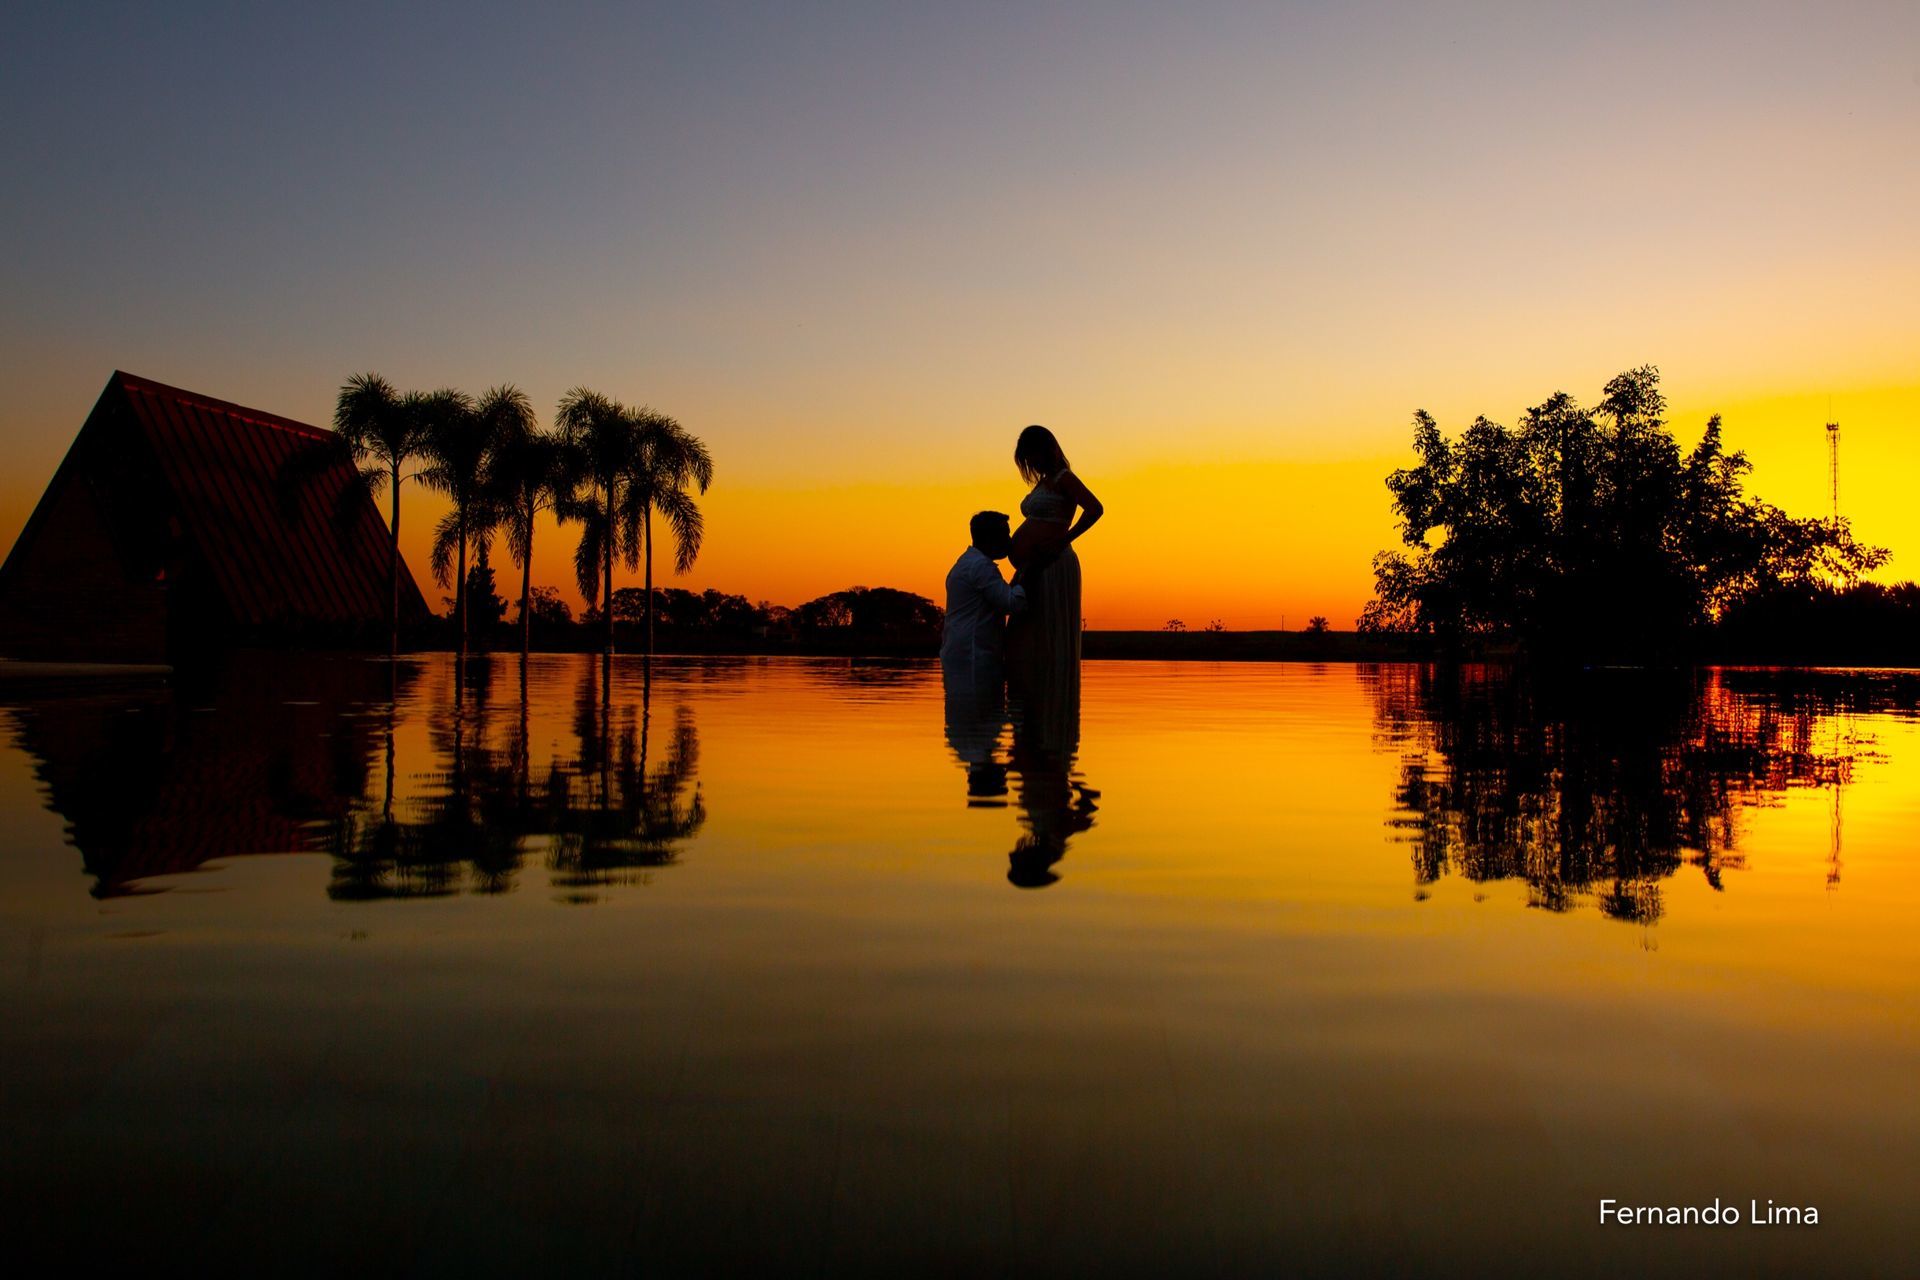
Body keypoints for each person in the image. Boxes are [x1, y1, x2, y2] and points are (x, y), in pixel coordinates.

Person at [1006, 425, 1103, 697]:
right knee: (1022, 628)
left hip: (1053, 565)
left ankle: (1050, 698)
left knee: (1044, 627)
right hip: (1033, 565)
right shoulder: (1044, 481)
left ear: (1046, 450)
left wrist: (1063, 539)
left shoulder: (1064, 478)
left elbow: (1096, 509)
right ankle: (1027, 699)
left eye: (1031, 456)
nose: (1030, 463)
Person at [941, 511, 1027, 690]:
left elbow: (1001, 598)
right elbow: (1012, 604)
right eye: (1005, 534)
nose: (1009, 541)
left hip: (963, 655)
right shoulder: (981, 567)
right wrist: (1027, 575)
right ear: (989, 538)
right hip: (974, 657)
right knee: (982, 712)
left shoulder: (967, 564)